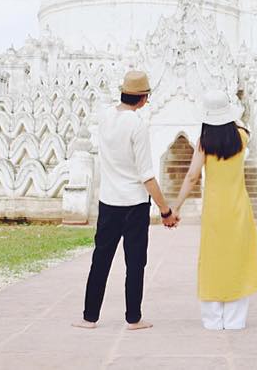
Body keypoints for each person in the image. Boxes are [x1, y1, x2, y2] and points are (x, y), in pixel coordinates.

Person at [73, 70, 179, 331]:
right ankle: (134, 318)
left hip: (109, 202)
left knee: (101, 259)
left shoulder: (105, 117)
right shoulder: (138, 125)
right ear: (143, 99)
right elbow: (146, 175)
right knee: (135, 262)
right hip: (134, 204)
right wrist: (166, 211)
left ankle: (89, 317)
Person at [171, 89, 257, 330]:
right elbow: (239, 123)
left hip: (214, 210)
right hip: (239, 206)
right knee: (237, 259)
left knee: (213, 259)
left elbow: (191, 177)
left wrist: (175, 207)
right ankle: (235, 320)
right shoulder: (242, 136)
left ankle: (212, 319)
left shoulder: (205, 142)